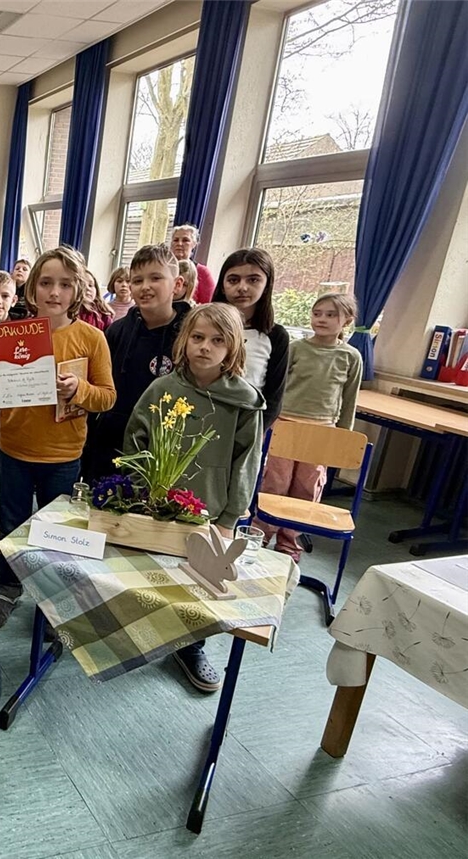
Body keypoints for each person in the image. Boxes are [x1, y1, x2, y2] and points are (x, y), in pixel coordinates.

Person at [125, 303, 264, 692]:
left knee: (198, 584)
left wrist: (230, 517)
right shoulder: (163, 388)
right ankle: (145, 629)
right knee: (153, 573)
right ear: (184, 341)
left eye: (217, 341)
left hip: (209, 509)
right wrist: (140, 488)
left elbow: (246, 463)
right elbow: (136, 438)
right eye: (198, 338)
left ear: (233, 348)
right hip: (158, 504)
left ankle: (191, 646)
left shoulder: (246, 401)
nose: (205, 347)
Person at [0, 246, 116, 630]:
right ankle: (9, 587)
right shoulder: (11, 335)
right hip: (14, 449)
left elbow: (108, 396)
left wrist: (78, 390)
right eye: (46, 283)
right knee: (11, 523)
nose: (54, 292)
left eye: (65, 284)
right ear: (32, 288)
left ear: (79, 290)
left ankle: (52, 598)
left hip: (64, 454)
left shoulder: (91, 338)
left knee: (56, 531)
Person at [258, 293, 362, 562]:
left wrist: (342, 435)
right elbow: (278, 386)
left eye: (331, 315)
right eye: (318, 313)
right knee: (275, 482)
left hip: (323, 431)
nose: (322, 319)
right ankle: (261, 534)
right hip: (287, 424)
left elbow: (349, 399)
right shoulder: (297, 348)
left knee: (307, 488)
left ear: (346, 321)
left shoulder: (351, 357)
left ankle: (289, 543)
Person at [83, 244, 191, 483]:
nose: (145, 287)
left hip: (165, 445)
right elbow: (98, 386)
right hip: (112, 441)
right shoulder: (117, 331)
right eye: (137, 280)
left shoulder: (191, 335)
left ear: (178, 284)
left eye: (156, 278)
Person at [212, 248, 288, 430]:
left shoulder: (276, 336)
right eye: (233, 280)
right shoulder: (203, 328)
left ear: (267, 284)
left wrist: (253, 436)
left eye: (253, 280)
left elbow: (274, 397)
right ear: (223, 285)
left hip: (245, 425)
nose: (242, 287)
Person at [170, 225, 214, 303]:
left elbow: (209, 305)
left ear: (194, 244)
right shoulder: (164, 268)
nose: (179, 243)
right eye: (176, 240)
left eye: (185, 240)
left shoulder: (202, 272)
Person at [77, 267, 113, 331]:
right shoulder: (70, 312)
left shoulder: (104, 313)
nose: (88, 289)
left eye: (90, 285)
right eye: (82, 285)